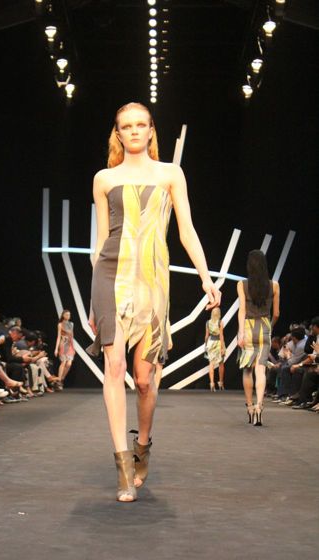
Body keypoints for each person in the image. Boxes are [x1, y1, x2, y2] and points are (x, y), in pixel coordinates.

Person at [87, 102, 221, 503]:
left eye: (140, 124)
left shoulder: (170, 174)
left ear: (150, 131)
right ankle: (123, 469)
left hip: (152, 280)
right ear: (117, 133)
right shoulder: (104, 179)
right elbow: (100, 240)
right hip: (110, 276)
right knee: (114, 367)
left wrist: (206, 277)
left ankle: (142, 445)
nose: (133, 131)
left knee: (144, 379)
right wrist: (93, 300)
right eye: (126, 126)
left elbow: (186, 231)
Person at [237, 250, 280, 426]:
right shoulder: (274, 285)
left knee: (247, 370)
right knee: (260, 370)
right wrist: (269, 326)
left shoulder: (242, 284)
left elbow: (242, 310)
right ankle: (259, 406)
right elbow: (276, 313)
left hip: (248, 328)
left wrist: (241, 332)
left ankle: (249, 408)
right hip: (264, 327)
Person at [204, 307, 226, 391]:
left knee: (211, 363)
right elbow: (221, 335)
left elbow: (206, 336)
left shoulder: (207, 322)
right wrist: (222, 347)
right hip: (218, 343)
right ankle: (221, 383)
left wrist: (206, 345)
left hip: (210, 343)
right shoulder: (220, 322)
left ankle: (212, 383)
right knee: (221, 363)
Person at [54, 310, 75, 386]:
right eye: (66, 314)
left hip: (69, 345)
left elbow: (72, 336)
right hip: (63, 344)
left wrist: (73, 347)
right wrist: (56, 348)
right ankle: (59, 380)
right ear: (63, 315)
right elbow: (58, 337)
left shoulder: (71, 324)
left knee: (69, 364)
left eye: (69, 315)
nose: (68, 316)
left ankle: (61, 378)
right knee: (63, 362)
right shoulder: (60, 324)